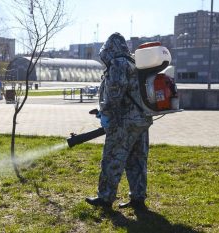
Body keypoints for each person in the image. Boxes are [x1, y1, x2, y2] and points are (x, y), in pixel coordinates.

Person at [85, 32, 153, 209]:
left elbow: (115, 92)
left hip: (124, 122)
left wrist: (106, 114)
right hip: (142, 119)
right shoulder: (134, 64)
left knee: (113, 158)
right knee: (137, 160)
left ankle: (105, 198)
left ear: (109, 49)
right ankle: (138, 198)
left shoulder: (118, 63)